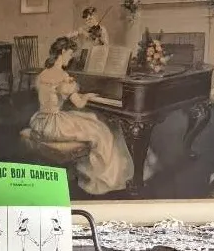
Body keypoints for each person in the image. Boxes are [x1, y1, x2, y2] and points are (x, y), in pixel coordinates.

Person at [29, 36, 149, 196]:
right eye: (70, 54)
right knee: (101, 131)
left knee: (92, 119)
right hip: (56, 124)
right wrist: (88, 96)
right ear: (62, 52)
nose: (70, 58)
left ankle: (84, 169)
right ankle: (106, 177)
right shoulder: (62, 75)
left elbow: (53, 97)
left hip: (41, 121)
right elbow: (79, 104)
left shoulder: (43, 73)